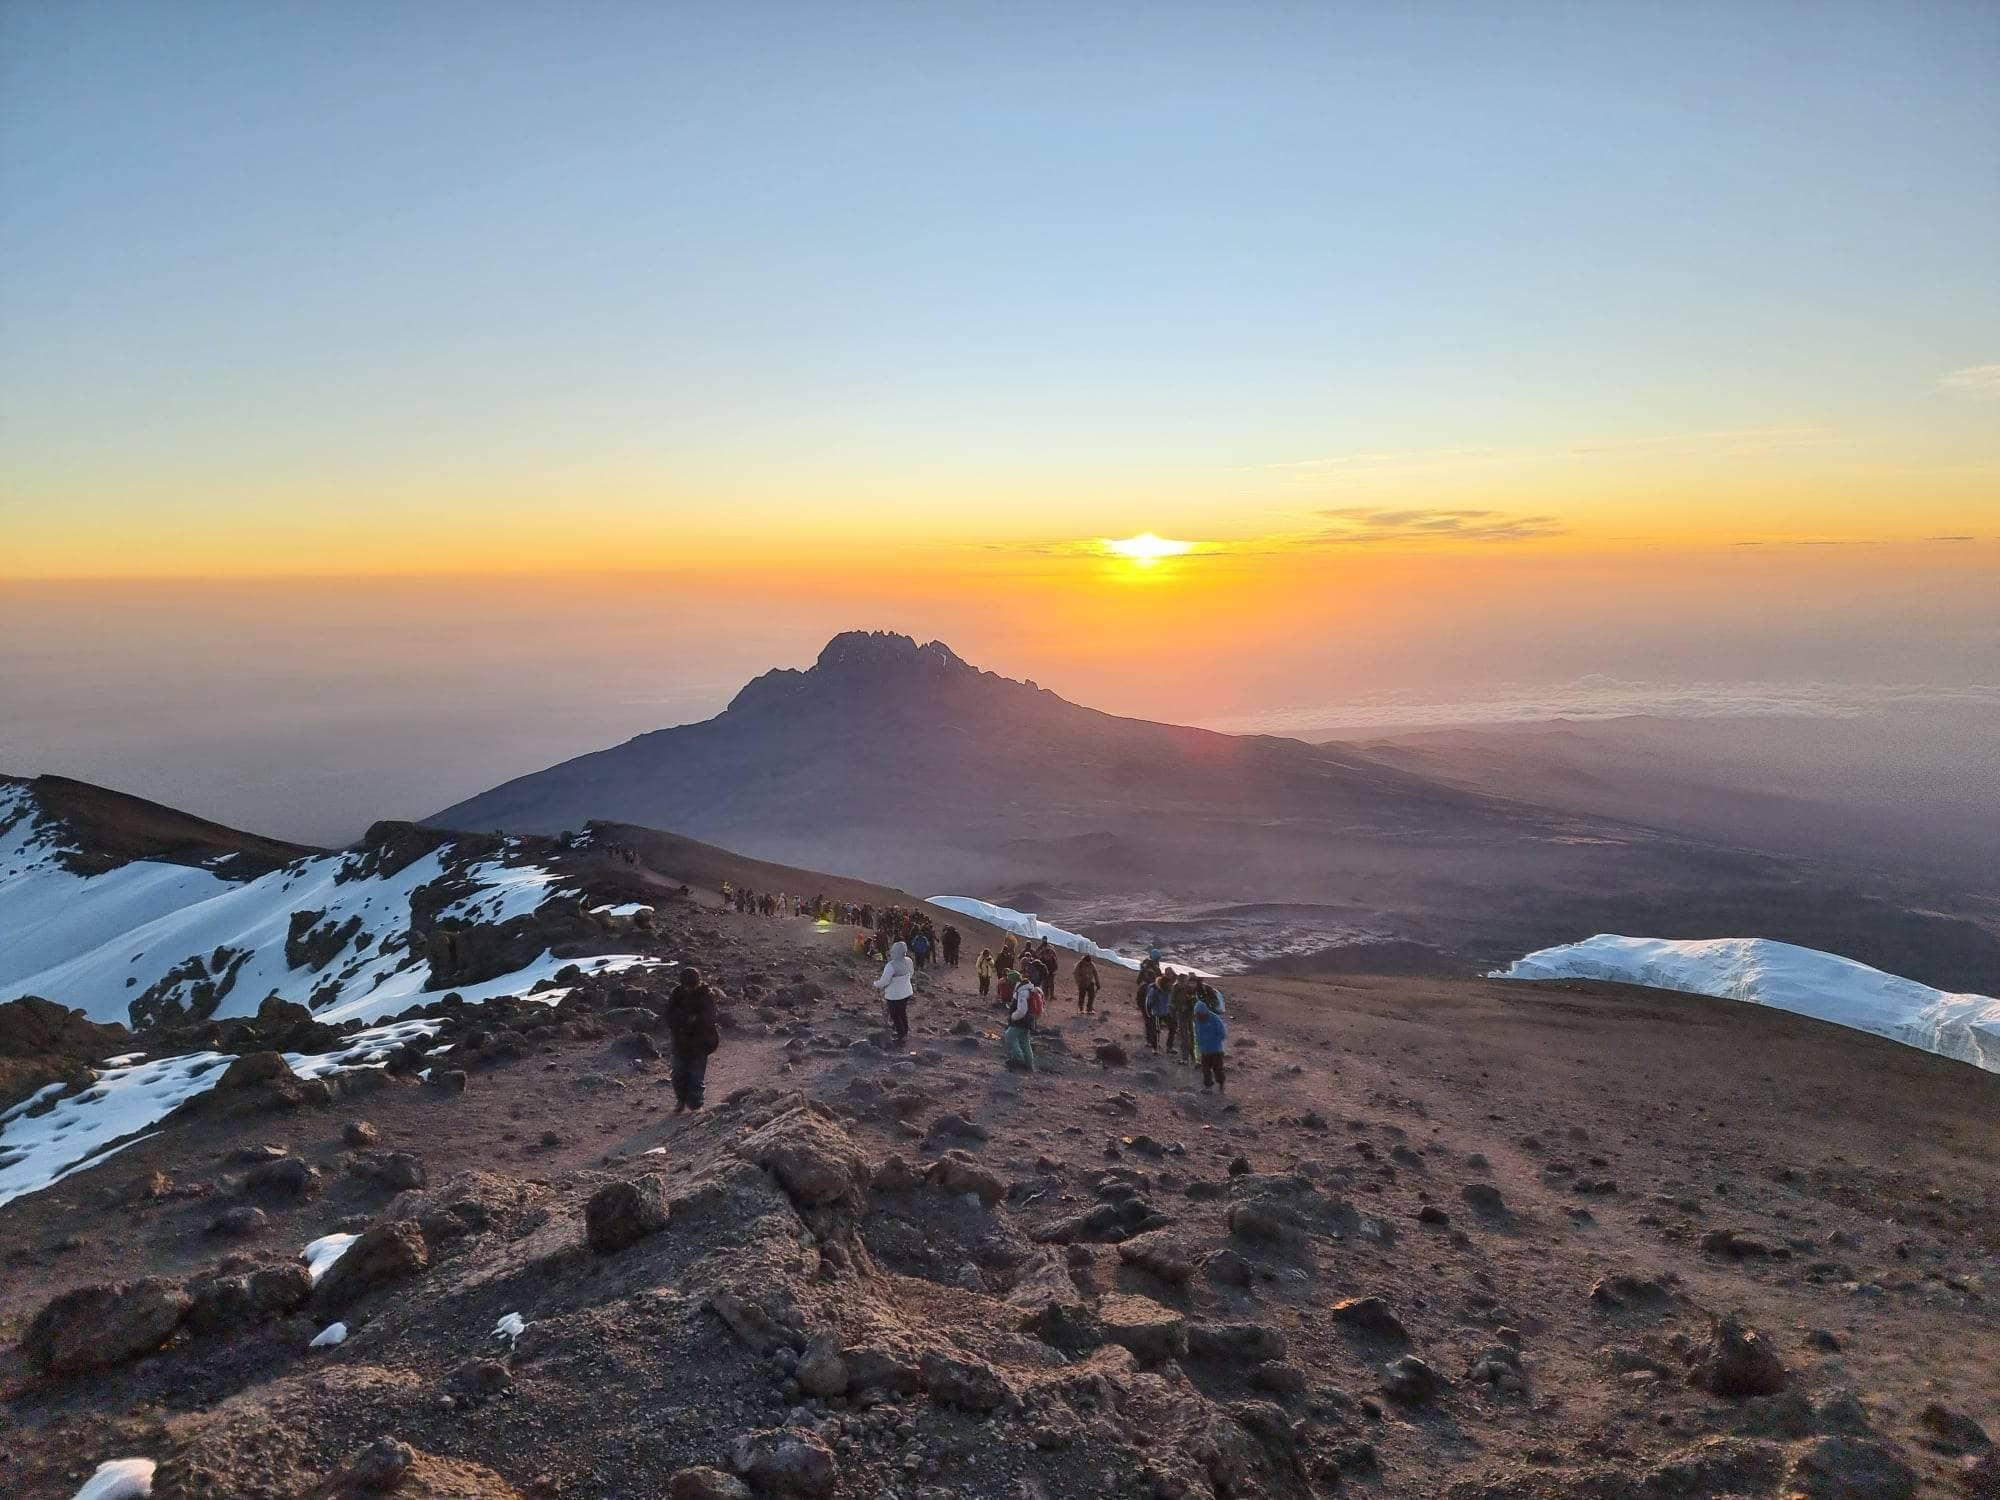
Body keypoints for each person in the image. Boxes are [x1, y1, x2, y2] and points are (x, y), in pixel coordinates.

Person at [663, 967, 721, 1113]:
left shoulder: (706, 995)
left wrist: (694, 1020)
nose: (689, 988)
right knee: (678, 1074)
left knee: (696, 1076)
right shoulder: (676, 994)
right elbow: (668, 1016)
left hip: (699, 1043)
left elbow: (710, 1017)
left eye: (692, 985)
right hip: (680, 1042)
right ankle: (681, 1100)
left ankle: (696, 1105)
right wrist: (685, 1020)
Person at [873, 940, 915, 1045]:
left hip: (894, 995)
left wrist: (876, 984)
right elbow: (911, 973)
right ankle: (905, 1031)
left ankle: (901, 1036)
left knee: (895, 1015)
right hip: (906, 992)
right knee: (902, 1012)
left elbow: (885, 981)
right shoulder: (908, 961)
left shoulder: (891, 965)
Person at [1005, 972, 1041, 1072]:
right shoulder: (1028, 990)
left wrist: (1013, 1016)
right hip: (1028, 1020)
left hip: (1021, 1020)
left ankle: (1018, 1059)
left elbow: (1022, 1010)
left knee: (1009, 1036)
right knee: (1024, 1040)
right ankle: (1028, 1063)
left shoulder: (1022, 992)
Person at [1193, 994, 1227, 1093]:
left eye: (1199, 1014)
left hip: (1216, 1050)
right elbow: (1197, 1035)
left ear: (1204, 1012)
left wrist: (1214, 1042)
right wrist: (1199, 1048)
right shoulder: (1198, 1021)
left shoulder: (1215, 1019)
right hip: (1204, 1050)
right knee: (1205, 1070)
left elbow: (1222, 1034)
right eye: (1197, 1014)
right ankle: (1208, 1087)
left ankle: (1221, 1084)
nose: (1198, 1016)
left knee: (1218, 1069)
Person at [1143, 971, 1174, 1053]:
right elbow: (1149, 1002)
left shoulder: (1168, 990)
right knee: (1156, 1030)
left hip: (1165, 1012)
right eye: (1169, 983)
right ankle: (1155, 1048)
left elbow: (1169, 1001)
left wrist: (1170, 1008)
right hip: (1156, 1013)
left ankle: (1169, 1046)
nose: (1170, 985)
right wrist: (1148, 1013)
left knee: (1173, 1027)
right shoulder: (1154, 990)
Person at [1173, 973, 1199, 1066]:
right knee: (1184, 1036)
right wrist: (1180, 1008)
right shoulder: (1177, 989)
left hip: (1192, 1015)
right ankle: (1186, 1058)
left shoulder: (1193, 991)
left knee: (1193, 1036)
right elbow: (1173, 1002)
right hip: (1183, 1014)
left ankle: (1194, 1057)